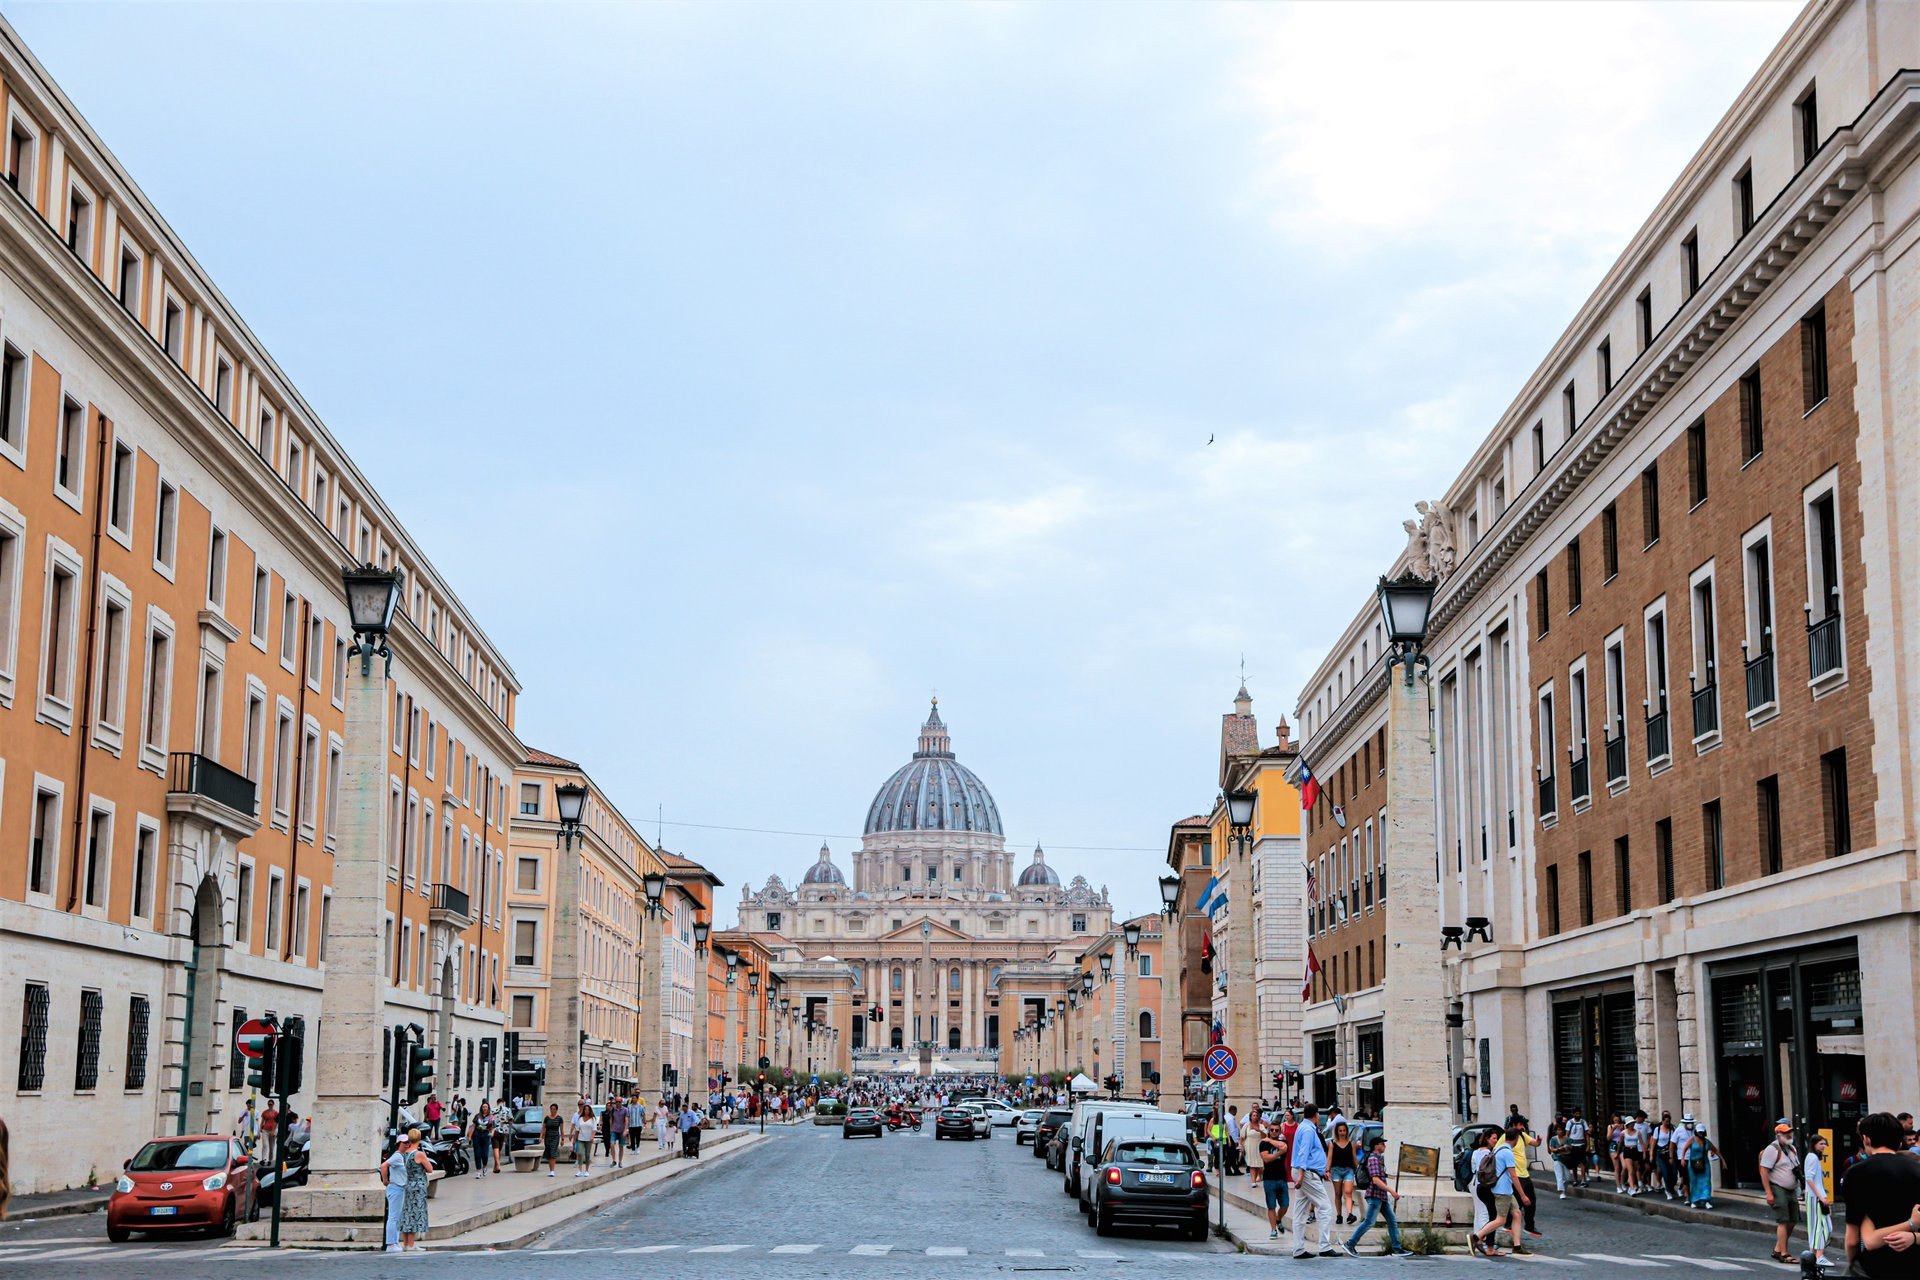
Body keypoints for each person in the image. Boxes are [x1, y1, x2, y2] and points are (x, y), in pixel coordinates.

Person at [1843, 1112, 1920, 1278]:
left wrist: (1852, 1263)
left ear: (1866, 1139)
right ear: (1900, 1142)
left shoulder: (1856, 1173)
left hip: (1873, 1266)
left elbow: (1852, 1240)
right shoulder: (1917, 1170)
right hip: (1913, 1263)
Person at [1472, 1124, 1530, 1257]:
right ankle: (1476, 1237)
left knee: (1517, 1213)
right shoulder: (1507, 1152)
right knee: (1500, 1220)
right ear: (1516, 1139)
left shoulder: (1499, 1149)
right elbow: (1514, 1175)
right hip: (1502, 1191)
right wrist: (1523, 1195)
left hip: (1507, 1190)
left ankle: (1517, 1246)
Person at [1348, 1136, 1411, 1257]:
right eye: (1382, 1144)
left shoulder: (1378, 1159)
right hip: (1375, 1196)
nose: (1385, 1146)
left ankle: (1396, 1248)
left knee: (1392, 1220)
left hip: (1381, 1197)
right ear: (1376, 1146)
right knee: (1369, 1222)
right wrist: (1392, 1191)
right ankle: (1350, 1244)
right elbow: (1376, 1180)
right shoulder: (1373, 1159)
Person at [1289, 1103, 1336, 1259]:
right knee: (1325, 1207)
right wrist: (1302, 1174)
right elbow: (1304, 1152)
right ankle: (1324, 1246)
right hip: (1307, 1173)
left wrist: (1322, 1171)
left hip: (1306, 1172)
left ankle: (1298, 1248)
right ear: (1316, 1115)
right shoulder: (1308, 1130)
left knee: (1300, 1211)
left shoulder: (1303, 1127)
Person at [1759, 1119, 1803, 1263]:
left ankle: (1778, 1249)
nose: (1789, 1135)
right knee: (1783, 1221)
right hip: (1778, 1188)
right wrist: (1769, 1193)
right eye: (1785, 1133)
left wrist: (1800, 1188)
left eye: (1790, 1132)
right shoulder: (1772, 1149)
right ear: (1778, 1134)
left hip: (1791, 1189)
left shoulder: (1792, 1149)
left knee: (1793, 1220)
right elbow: (1764, 1170)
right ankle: (1784, 1254)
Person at [1510, 1117, 1543, 1238]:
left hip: (1525, 1174)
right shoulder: (1507, 1137)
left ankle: (1529, 1225)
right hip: (1515, 1174)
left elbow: (1535, 1143)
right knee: (1518, 1201)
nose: (1522, 1127)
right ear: (1514, 1125)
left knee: (1531, 1200)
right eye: (1520, 1125)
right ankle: (1508, 1224)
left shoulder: (1522, 1136)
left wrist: (1539, 1141)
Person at [399, 1127, 431, 1251]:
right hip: (418, 1185)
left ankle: (406, 1243)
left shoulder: (405, 1153)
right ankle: (411, 1244)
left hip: (408, 1183)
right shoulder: (419, 1154)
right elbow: (429, 1168)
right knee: (415, 1213)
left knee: (407, 1212)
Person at [1258, 1120, 1291, 1242]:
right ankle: (1273, 1229)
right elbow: (1266, 1158)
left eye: (1276, 1130)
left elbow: (1285, 1147)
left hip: (1282, 1177)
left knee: (1285, 1205)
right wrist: (1278, 1154)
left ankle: (1278, 1219)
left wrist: (1271, 1141)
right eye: (1272, 1130)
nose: (1274, 1132)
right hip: (1269, 1178)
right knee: (1271, 1206)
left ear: (1280, 1131)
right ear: (1268, 1130)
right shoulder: (1263, 1144)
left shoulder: (1279, 1141)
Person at [381, 1131, 413, 1252]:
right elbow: (384, 1166)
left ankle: (394, 1242)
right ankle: (390, 1244)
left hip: (400, 1188)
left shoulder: (403, 1156)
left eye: (408, 1142)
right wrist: (385, 1180)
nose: (407, 1144)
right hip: (396, 1188)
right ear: (399, 1143)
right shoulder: (397, 1156)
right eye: (405, 1142)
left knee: (397, 1217)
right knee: (393, 1217)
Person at [1804, 1131, 1834, 1264]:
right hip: (1816, 1197)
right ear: (1814, 1144)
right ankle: (1819, 1256)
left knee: (1817, 1226)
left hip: (1814, 1197)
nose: (1824, 1146)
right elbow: (1809, 1178)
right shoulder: (1813, 1158)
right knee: (1822, 1226)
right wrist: (1821, 1197)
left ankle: (1813, 1254)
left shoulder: (1812, 1157)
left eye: (1824, 1143)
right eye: (1821, 1144)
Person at [1681, 1119, 1720, 1209]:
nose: (1701, 1134)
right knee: (1694, 1182)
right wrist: (1682, 1159)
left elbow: (1715, 1150)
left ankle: (1706, 1200)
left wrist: (1723, 1161)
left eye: (1702, 1132)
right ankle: (1694, 1200)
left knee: (1706, 1181)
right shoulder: (1692, 1140)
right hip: (1693, 1163)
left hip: (1704, 1163)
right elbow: (1685, 1149)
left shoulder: (1707, 1142)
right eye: (1699, 1132)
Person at [1328, 1121, 1358, 1224]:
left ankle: (1350, 1214)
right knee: (1338, 1193)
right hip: (1335, 1170)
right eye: (1340, 1131)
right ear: (1337, 1131)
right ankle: (1339, 1215)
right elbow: (1329, 1158)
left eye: (1344, 1130)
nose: (1342, 1132)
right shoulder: (1332, 1143)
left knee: (1348, 1192)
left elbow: (1354, 1157)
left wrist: (1358, 1168)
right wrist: (1327, 1170)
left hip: (1348, 1170)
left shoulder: (1351, 1143)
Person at [1563, 1108, 1589, 1187]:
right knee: (1574, 1164)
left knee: (1582, 1163)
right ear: (1573, 1114)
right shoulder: (1570, 1122)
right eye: (1576, 1114)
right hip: (1572, 1145)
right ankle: (1575, 1179)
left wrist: (1588, 1145)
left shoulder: (1583, 1122)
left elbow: (1586, 1134)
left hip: (1581, 1145)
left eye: (1579, 1113)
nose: (1578, 1115)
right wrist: (1566, 1144)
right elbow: (1567, 1135)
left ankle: (1583, 1179)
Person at [469, 1102, 494, 1180]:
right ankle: (478, 1171)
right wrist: (470, 1136)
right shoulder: (477, 1116)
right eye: (483, 1107)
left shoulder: (491, 1117)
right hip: (477, 1135)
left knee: (485, 1154)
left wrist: (492, 1133)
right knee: (477, 1154)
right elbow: (473, 1126)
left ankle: (485, 1166)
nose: (484, 1108)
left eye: (486, 1107)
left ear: (488, 1108)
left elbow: (492, 1127)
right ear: (481, 1108)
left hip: (486, 1136)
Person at [540, 1102, 564, 1177]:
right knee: (549, 1153)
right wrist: (541, 1137)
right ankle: (550, 1170)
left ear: (556, 1110)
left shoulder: (559, 1118)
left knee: (553, 1152)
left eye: (554, 1109)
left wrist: (562, 1139)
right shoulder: (547, 1118)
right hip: (548, 1137)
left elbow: (561, 1129)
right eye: (551, 1109)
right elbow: (543, 1128)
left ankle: (552, 1170)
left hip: (555, 1137)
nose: (552, 1110)